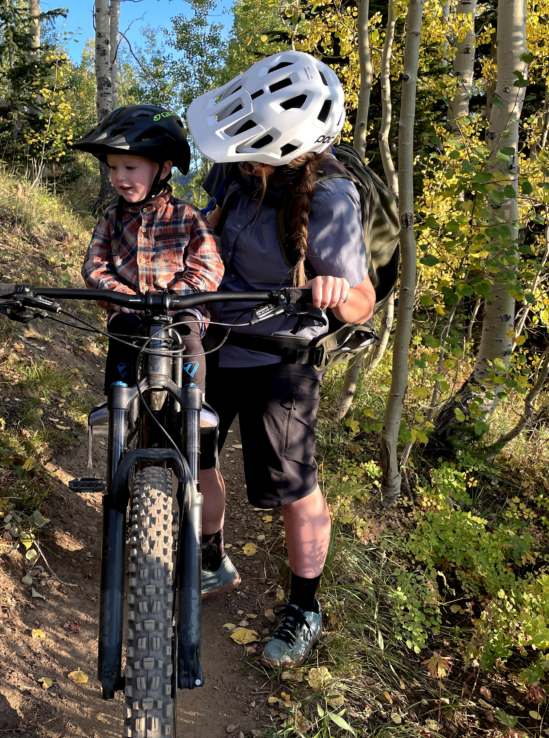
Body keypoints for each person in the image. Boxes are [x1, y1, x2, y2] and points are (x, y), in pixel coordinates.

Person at [186, 52, 376, 669]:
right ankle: (213, 561)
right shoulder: (232, 172)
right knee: (199, 458)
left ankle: (305, 606)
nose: (237, 155)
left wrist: (336, 292)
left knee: (294, 488)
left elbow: (364, 304)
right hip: (212, 345)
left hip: (279, 361)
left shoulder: (331, 202)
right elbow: (205, 233)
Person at [75, 105, 223, 408]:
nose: (119, 177)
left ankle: (195, 405)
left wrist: (179, 296)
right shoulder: (111, 218)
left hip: (180, 308)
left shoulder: (187, 216)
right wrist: (120, 295)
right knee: (122, 330)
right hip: (131, 309)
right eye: (113, 168)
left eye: (130, 168)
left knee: (188, 331)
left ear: (163, 169)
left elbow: (208, 264)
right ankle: (117, 402)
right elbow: (95, 264)